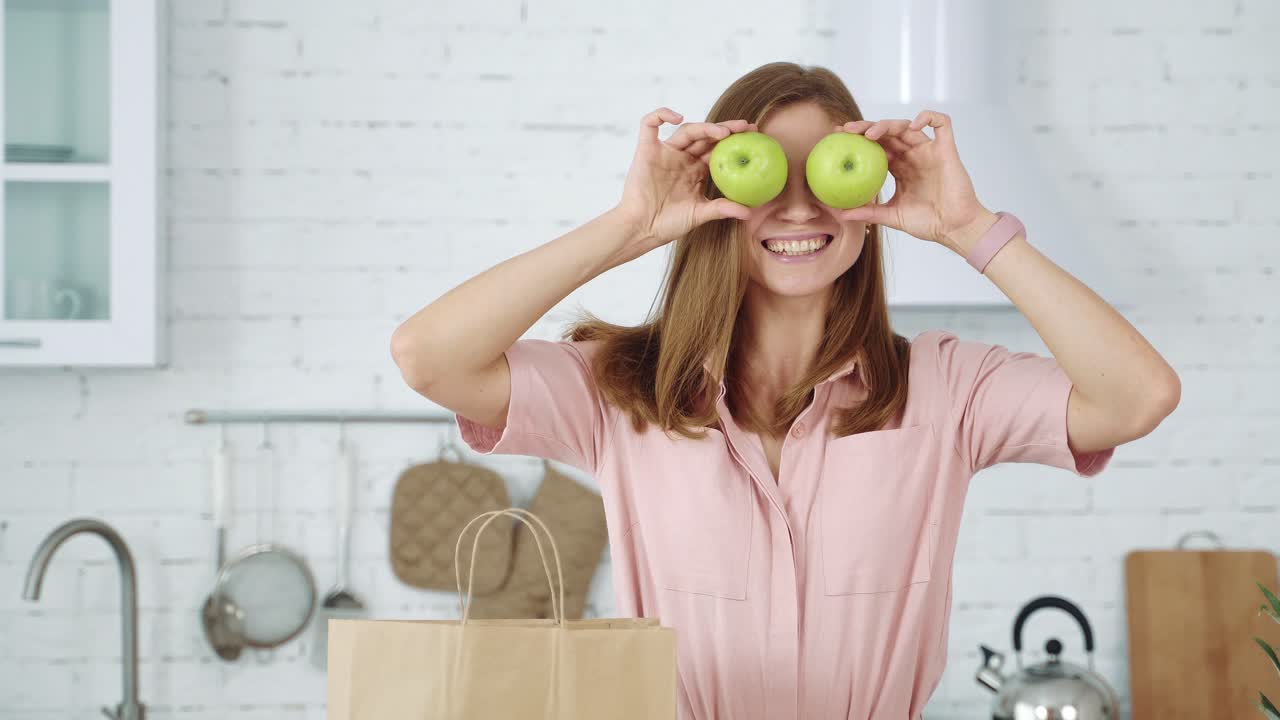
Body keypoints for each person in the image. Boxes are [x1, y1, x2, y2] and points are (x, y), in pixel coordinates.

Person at [390, 62, 1180, 720]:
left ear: (869, 207)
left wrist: (969, 229)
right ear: (714, 197)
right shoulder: (621, 390)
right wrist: (632, 224)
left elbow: (1137, 397)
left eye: (828, 178)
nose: (798, 204)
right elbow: (428, 355)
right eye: (768, 174)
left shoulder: (947, 389)